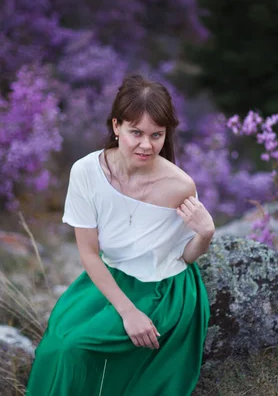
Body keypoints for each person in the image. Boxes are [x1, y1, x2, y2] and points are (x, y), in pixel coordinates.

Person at [26, 74, 214, 396]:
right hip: (108, 279)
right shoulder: (86, 172)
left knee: (77, 349)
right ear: (116, 126)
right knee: (55, 349)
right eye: (136, 132)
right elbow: (88, 252)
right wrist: (127, 312)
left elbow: (181, 257)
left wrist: (206, 234)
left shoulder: (179, 186)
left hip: (161, 290)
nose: (147, 145)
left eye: (157, 135)